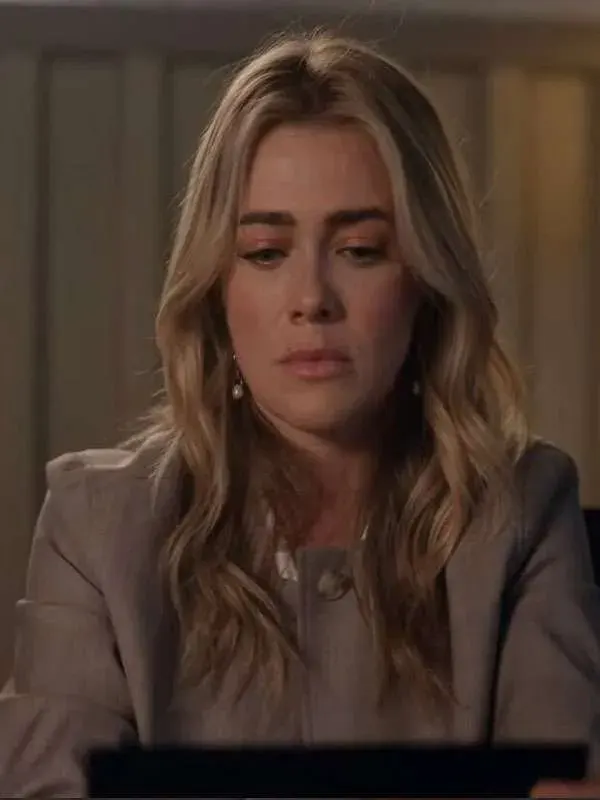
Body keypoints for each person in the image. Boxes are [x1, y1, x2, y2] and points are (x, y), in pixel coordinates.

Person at [1, 29, 599, 799]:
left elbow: (565, 783)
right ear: (216, 289)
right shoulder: (95, 524)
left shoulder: (521, 509)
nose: (311, 299)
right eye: (265, 252)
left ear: (426, 281)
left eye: (359, 249)